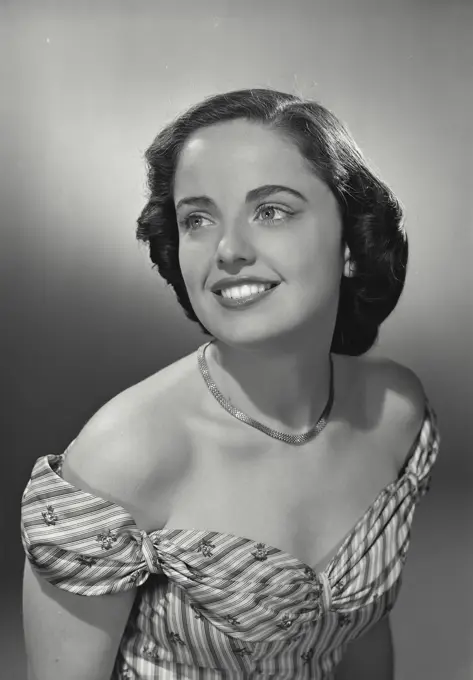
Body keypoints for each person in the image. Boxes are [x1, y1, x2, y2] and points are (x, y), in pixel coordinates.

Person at [21, 88, 441, 680]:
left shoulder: (396, 413)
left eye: (272, 211)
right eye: (198, 218)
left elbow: (364, 643)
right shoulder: (124, 458)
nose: (229, 250)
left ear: (350, 243)